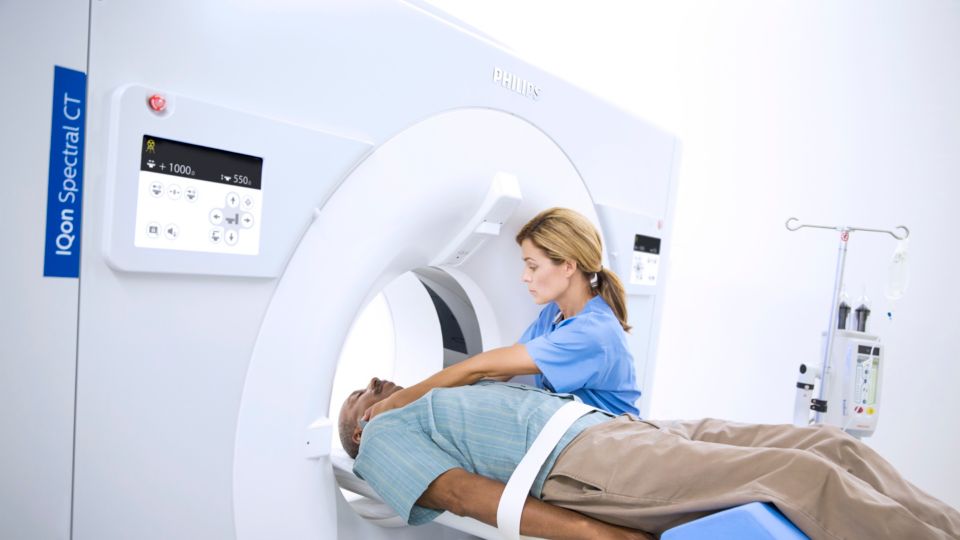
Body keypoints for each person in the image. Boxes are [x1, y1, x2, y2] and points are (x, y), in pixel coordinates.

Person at [339, 377, 960, 540]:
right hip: (582, 461)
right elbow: (465, 497)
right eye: (362, 395)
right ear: (359, 428)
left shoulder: (440, 394)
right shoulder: (383, 441)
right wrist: (594, 534)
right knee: (804, 478)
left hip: (621, 430)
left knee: (833, 444)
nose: (379, 382)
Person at [364, 207, 641, 423]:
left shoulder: (593, 332)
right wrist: (429, 403)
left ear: (568, 266)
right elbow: (500, 373)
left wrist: (397, 401)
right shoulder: (554, 316)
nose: (525, 277)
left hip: (608, 448)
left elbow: (482, 367)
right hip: (580, 437)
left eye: (533, 266)